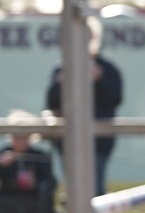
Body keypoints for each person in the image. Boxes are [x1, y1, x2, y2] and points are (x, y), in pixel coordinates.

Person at [44, 19, 123, 197]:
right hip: (68, 142)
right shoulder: (61, 69)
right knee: (74, 189)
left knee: (94, 188)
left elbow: (114, 100)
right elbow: (51, 103)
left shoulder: (107, 69)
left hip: (98, 142)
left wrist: (99, 80)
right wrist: (61, 83)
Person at [0, 111, 63, 213]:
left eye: (23, 137)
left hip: (34, 201)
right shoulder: (4, 154)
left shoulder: (39, 156)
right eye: (16, 137)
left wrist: (35, 183)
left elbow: (50, 181)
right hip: (8, 202)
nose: (19, 141)